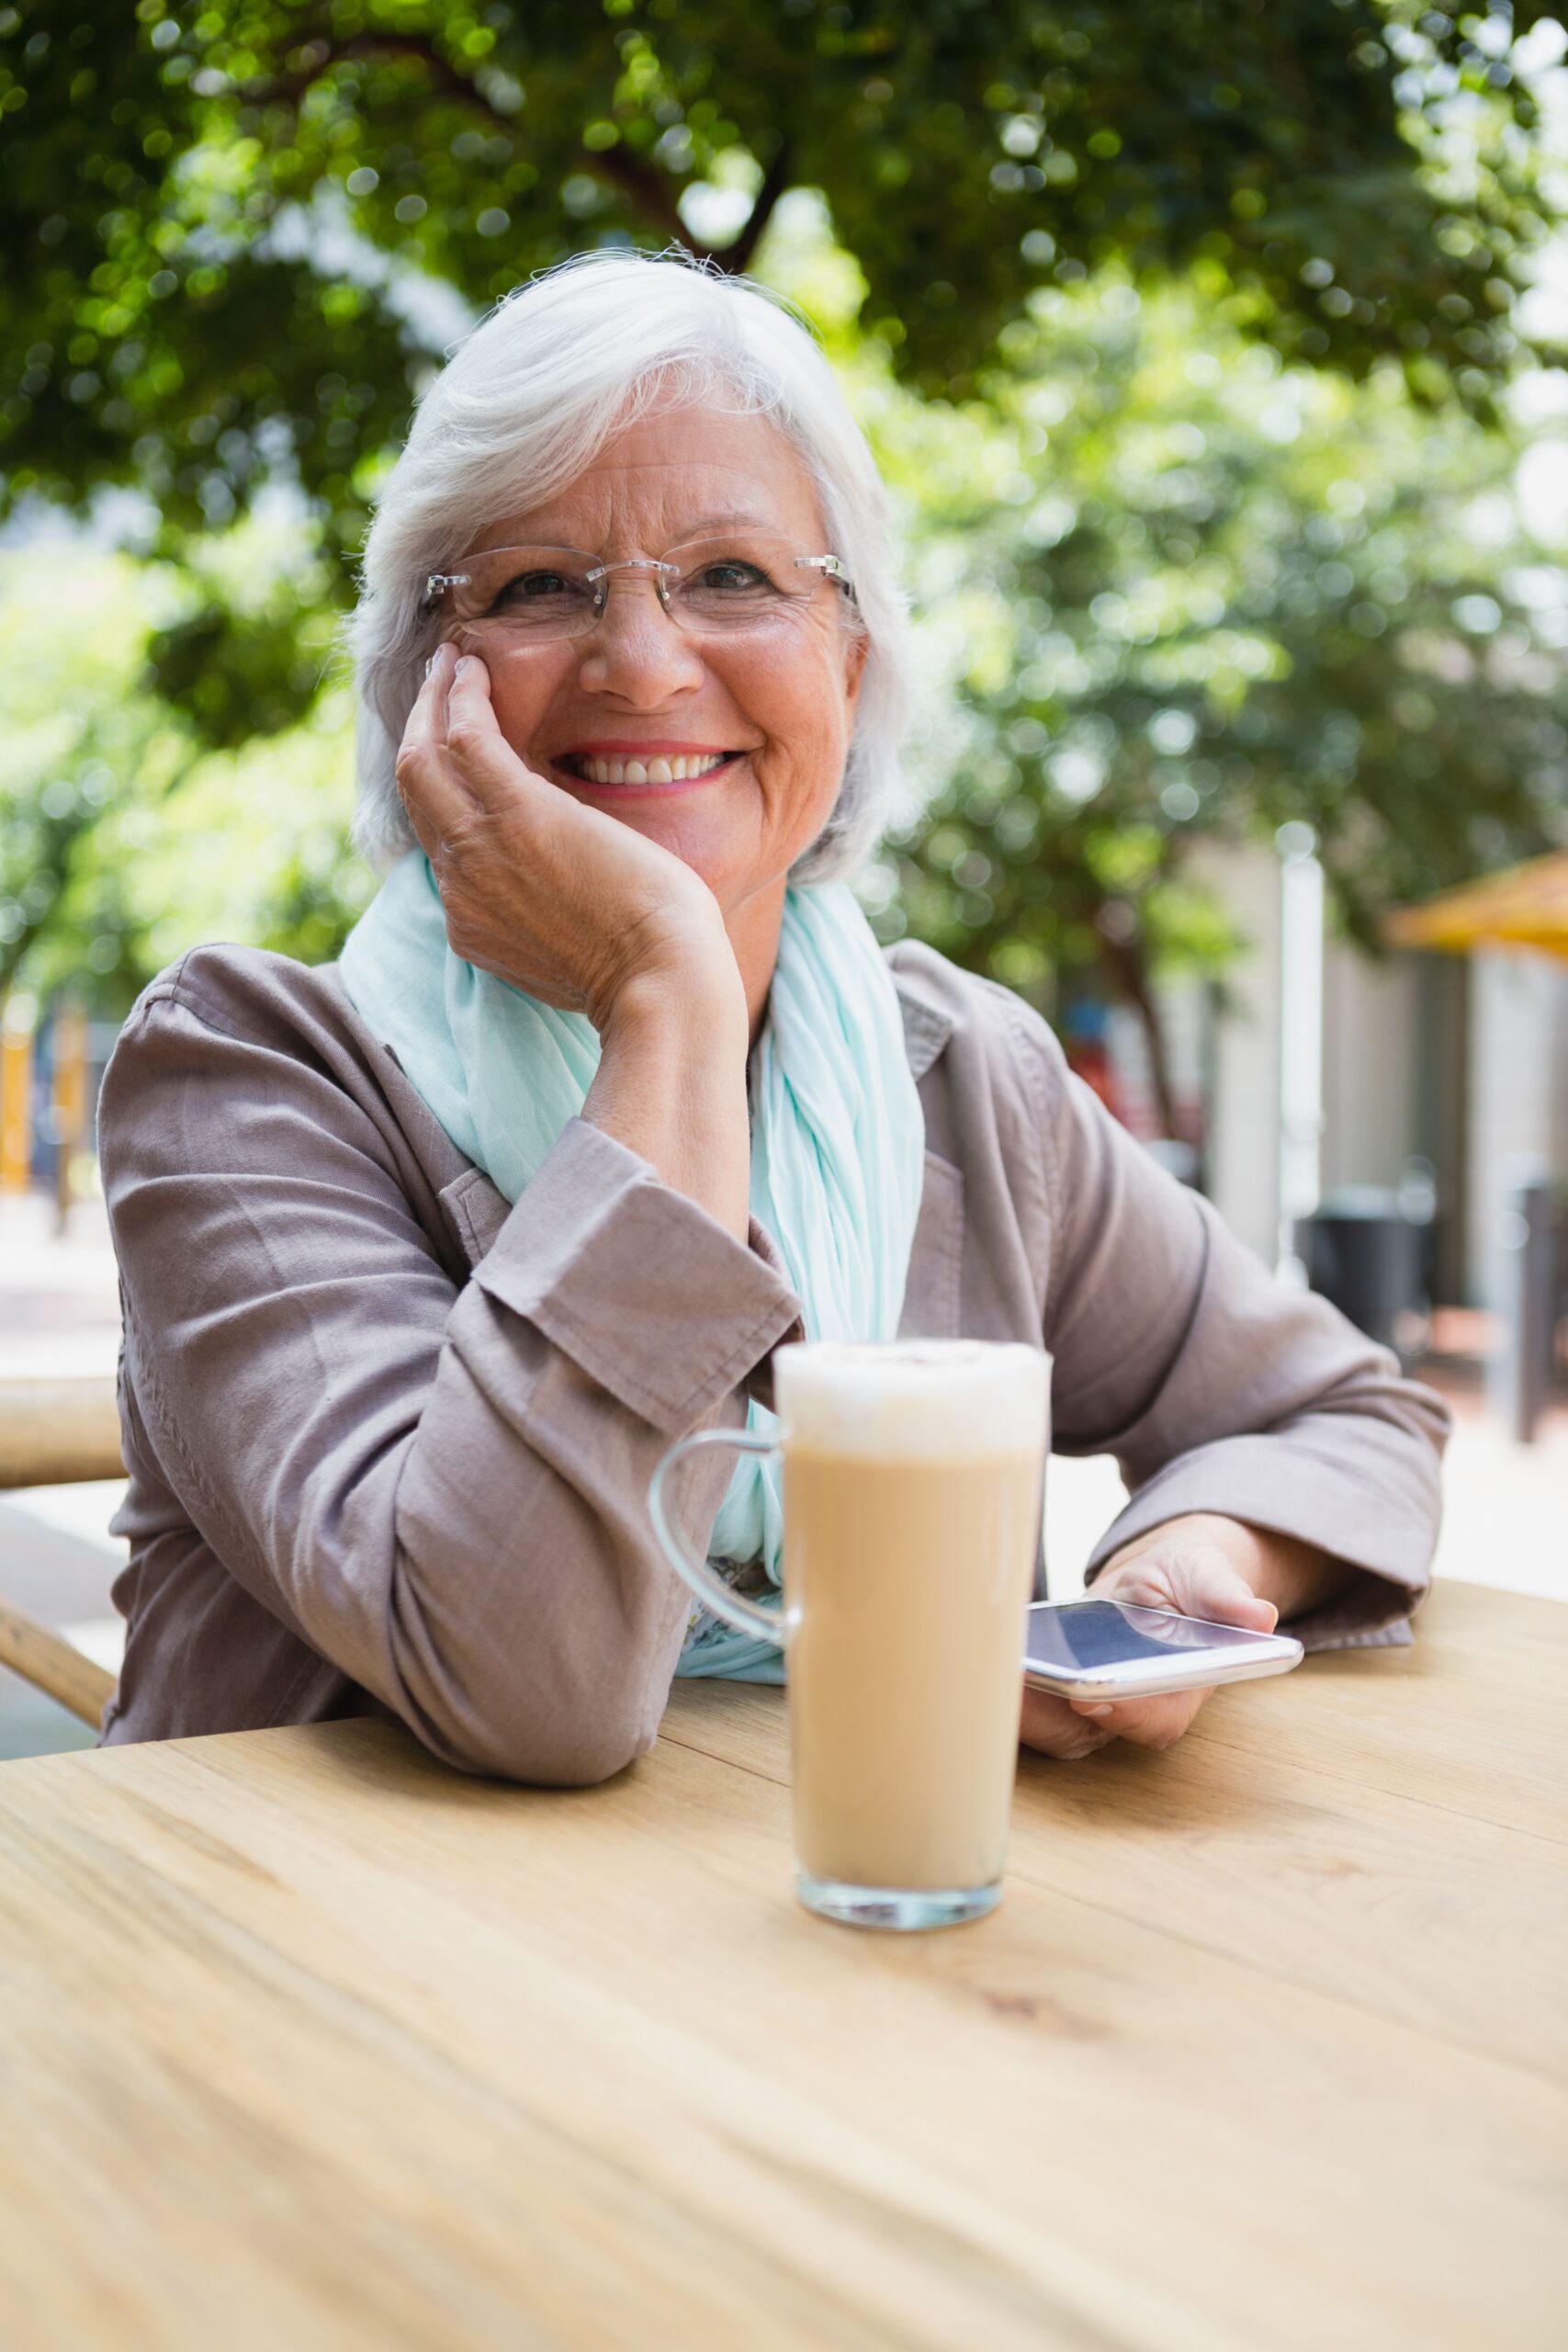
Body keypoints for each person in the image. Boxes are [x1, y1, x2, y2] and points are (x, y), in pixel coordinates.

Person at [96, 251, 1448, 1779]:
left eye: (734, 577)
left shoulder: (960, 1076)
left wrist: (1192, 1554)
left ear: (851, 664)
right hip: (359, 1987)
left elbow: (1351, 1419)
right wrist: (660, 993)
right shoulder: (244, 1079)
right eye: (540, 586)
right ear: (426, 687)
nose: (644, 660)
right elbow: (517, 1676)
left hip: (866, 1957)